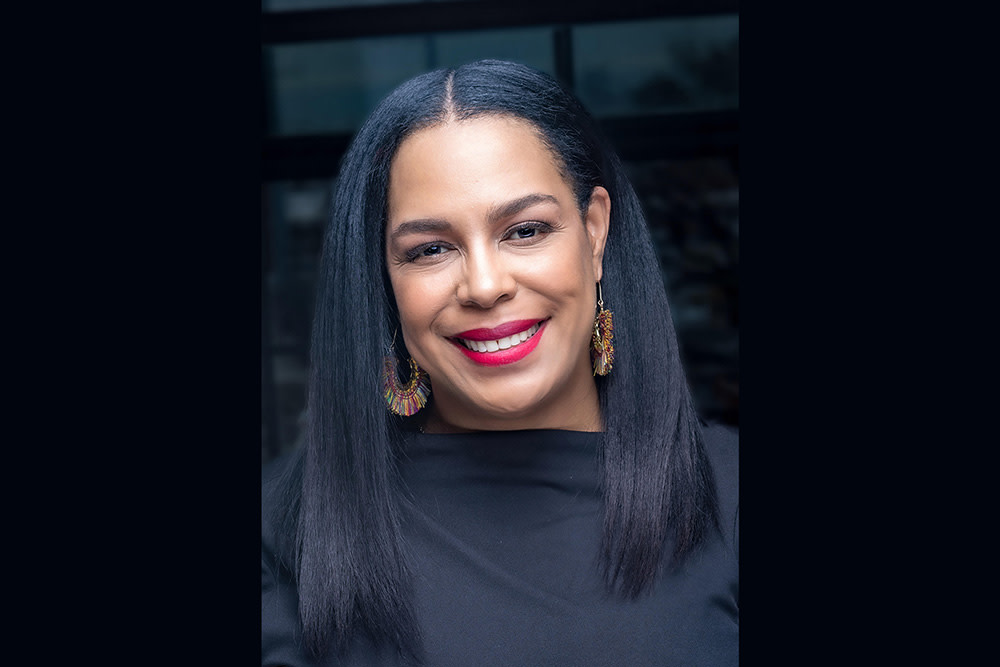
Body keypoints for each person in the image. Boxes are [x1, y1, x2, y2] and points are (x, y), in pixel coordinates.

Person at [262, 59, 738, 666]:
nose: (484, 286)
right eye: (430, 249)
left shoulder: (728, 498)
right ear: (383, 279)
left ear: (594, 232)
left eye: (525, 230)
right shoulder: (283, 532)